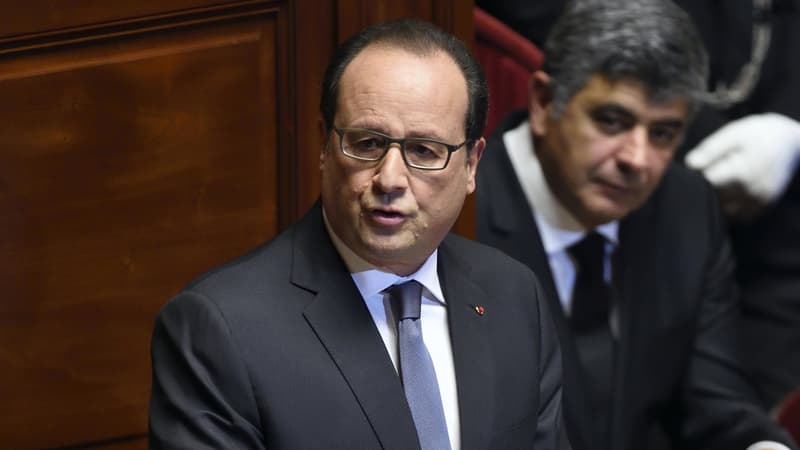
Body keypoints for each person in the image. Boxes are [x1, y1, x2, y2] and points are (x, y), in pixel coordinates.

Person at [148, 18, 565, 450]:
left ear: (472, 165)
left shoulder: (513, 295)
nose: (390, 179)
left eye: (424, 151)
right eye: (367, 143)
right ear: (324, 147)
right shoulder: (219, 330)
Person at [475, 1, 797, 450]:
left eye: (663, 133)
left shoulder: (685, 208)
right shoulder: (458, 215)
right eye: (611, 121)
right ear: (545, 103)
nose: (637, 159)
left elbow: (717, 404)